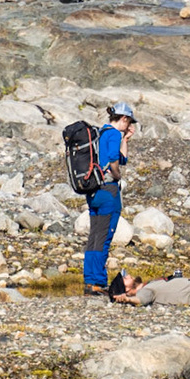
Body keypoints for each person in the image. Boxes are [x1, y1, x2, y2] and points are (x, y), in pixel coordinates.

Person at [82, 102, 135, 296]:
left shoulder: (101, 133)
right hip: (108, 192)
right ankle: (98, 282)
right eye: (128, 122)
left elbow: (122, 158)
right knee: (103, 238)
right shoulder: (113, 134)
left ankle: (89, 280)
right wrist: (118, 176)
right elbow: (114, 160)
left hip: (94, 192)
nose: (128, 126)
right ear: (124, 118)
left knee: (94, 236)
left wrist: (126, 140)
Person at [107, 270, 190, 306]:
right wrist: (127, 299)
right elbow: (141, 299)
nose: (129, 275)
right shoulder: (144, 291)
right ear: (126, 290)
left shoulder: (147, 285)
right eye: (125, 278)